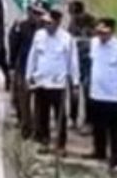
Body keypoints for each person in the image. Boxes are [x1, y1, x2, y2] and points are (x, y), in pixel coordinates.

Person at [24, 9, 77, 152]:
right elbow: (32, 57)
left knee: (60, 115)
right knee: (42, 113)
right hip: (41, 81)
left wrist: (75, 82)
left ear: (58, 23)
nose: (47, 25)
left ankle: (60, 144)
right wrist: (28, 76)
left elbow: (73, 62)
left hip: (58, 83)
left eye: (50, 23)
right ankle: (44, 140)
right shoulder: (39, 36)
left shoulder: (67, 39)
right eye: (45, 23)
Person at [87, 17, 117, 170]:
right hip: (96, 92)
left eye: (104, 33)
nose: (101, 36)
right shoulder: (94, 43)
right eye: (99, 32)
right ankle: (99, 150)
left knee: (114, 127)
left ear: (112, 32)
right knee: (97, 124)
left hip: (113, 95)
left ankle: (115, 154)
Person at [8, 4, 44, 134]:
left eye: (39, 13)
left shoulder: (46, 28)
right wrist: (12, 66)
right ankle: (25, 125)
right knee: (23, 98)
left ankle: (39, 128)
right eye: (34, 12)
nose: (36, 16)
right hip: (23, 66)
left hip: (40, 69)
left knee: (40, 100)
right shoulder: (21, 27)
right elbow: (14, 46)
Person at [67, 0, 95, 131]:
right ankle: (73, 118)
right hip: (75, 62)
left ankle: (88, 121)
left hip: (87, 62)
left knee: (87, 91)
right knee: (75, 91)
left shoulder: (90, 22)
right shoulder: (71, 25)